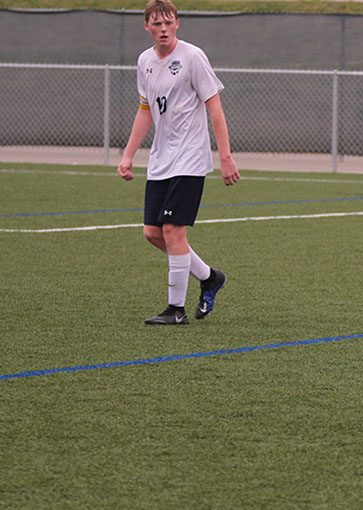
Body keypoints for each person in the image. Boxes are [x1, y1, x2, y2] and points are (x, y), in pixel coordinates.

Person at [118, 0, 238, 325]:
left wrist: (225, 156)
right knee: (153, 233)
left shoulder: (192, 57)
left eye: (168, 22)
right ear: (147, 27)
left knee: (172, 229)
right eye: (156, 24)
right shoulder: (144, 61)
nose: (163, 29)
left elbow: (216, 109)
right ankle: (210, 277)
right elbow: (146, 110)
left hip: (190, 158)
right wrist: (129, 154)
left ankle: (176, 310)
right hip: (161, 159)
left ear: (177, 23)